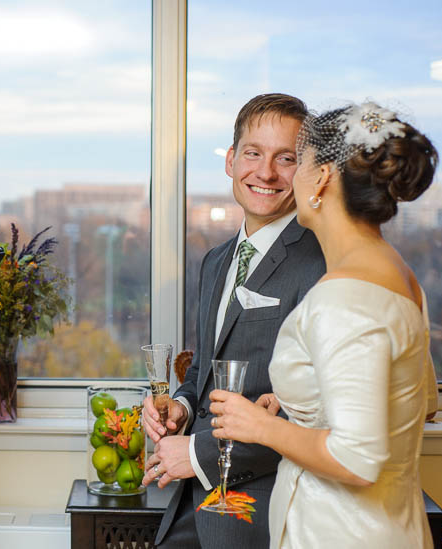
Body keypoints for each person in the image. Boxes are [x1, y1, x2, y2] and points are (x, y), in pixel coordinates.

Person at [209, 101, 439, 548]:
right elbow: (416, 402)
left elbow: (357, 458)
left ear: (323, 178)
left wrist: (260, 427)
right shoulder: (397, 273)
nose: (284, 177)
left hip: (340, 532)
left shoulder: (344, 296)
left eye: (298, 161)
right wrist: (300, 403)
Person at [141, 93, 326, 548]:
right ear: (230, 160)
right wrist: (181, 407)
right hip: (190, 501)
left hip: (261, 510)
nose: (265, 173)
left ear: (306, 172)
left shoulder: (321, 264)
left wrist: (198, 453)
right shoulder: (216, 260)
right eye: (253, 153)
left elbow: (319, 412)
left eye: (286, 159)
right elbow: (204, 369)